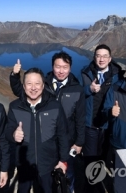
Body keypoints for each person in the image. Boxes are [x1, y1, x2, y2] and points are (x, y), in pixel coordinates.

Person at [10, 51, 85, 193]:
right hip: (46, 139)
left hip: (66, 139)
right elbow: (21, 91)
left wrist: (79, 142)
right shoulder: (44, 83)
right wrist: (15, 76)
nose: (61, 71)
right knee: (45, 176)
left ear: (70, 68)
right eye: (57, 66)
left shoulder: (76, 89)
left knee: (65, 174)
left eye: (65, 67)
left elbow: (80, 118)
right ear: (52, 67)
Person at [5, 67, 69, 193]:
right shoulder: (15, 106)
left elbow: (63, 135)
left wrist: (63, 160)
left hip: (49, 165)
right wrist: (13, 134)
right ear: (23, 86)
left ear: (43, 85)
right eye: (29, 83)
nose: (33, 88)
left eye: (37, 83)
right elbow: (7, 132)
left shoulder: (54, 106)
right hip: (24, 164)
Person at [80, 44, 123, 192]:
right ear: (94, 57)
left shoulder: (118, 75)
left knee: (103, 158)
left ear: (110, 58)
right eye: (98, 55)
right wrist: (89, 89)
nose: (101, 59)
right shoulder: (85, 73)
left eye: (105, 56)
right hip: (90, 124)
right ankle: (91, 186)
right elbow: (77, 94)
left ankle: (99, 183)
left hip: (108, 125)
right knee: (91, 158)